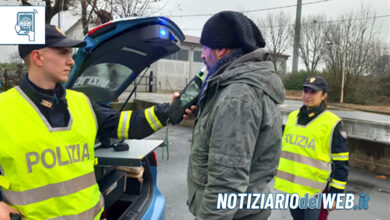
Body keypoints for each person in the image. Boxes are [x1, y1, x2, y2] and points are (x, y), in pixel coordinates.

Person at [0, 24, 177, 220]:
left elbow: (126, 125)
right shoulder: (4, 109)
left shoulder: (81, 102)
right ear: (37, 57)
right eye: (63, 52)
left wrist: (167, 110)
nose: (71, 61)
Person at [186, 11, 285, 220]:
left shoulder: (238, 98)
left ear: (221, 50)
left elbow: (226, 182)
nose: (203, 55)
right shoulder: (236, 88)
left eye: (205, 48)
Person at [274, 76, 349, 220]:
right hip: (293, 190)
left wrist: (335, 196)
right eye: (305, 91)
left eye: (313, 92)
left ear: (324, 96)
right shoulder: (292, 117)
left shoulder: (332, 123)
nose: (307, 96)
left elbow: (341, 164)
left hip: (316, 192)